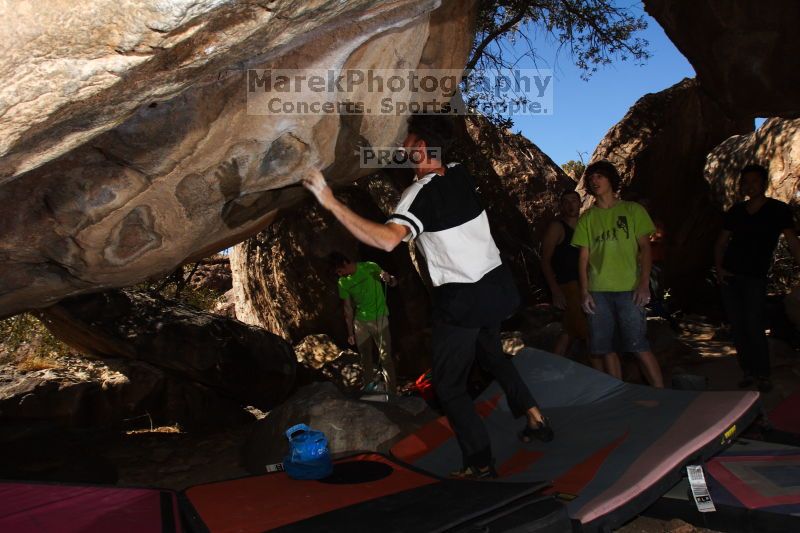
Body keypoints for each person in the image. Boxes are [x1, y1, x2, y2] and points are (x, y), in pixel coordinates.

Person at [303, 113, 552, 480]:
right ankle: (536, 418)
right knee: (493, 355)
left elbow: (388, 239)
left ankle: (480, 463)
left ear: (421, 148)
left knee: (449, 386)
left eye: (407, 140)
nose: (402, 146)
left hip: (463, 299)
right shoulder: (460, 172)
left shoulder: (417, 195)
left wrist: (330, 201)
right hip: (498, 289)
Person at [571, 160, 664, 388]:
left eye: (599, 176)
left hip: (629, 289)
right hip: (598, 292)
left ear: (611, 180)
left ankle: (663, 394)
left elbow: (645, 249)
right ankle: (618, 395)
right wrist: (584, 293)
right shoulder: (588, 218)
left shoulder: (632, 210)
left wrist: (644, 284)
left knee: (638, 345)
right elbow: (583, 259)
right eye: (591, 179)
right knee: (605, 348)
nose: (594, 181)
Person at [714, 164, 800, 393]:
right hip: (730, 277)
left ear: (764, 183)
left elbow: (792, 241)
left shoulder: (778, 210)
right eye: (746, 182)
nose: (750, 185)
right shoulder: (736, 211)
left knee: (754, 326)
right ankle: (748, 372)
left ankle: (763, 374)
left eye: (754, 181)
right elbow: (722, 243)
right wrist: (719, 269)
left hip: (755, 277)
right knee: (738, 327)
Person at [540, 191, 600, 369]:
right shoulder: (557, 228)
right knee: (588, 331)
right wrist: (555, 290)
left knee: (569, 331)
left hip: (587, 284)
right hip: (569, 285)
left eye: (574, 201)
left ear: (581, 203)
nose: (570, 205)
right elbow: (545, 261)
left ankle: (552, 369)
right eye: (565, 201)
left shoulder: (585, 226)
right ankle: (600, 375)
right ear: (561, 206)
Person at [329, 252, 398, 394]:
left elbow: (393, 282)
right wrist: (350, 333)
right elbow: (348, 308)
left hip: (379, 319)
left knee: (385, 357)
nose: (339, 274)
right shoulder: (343, 282)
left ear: (345, 263)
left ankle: (392, 392)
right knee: (365, 358)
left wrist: (389, 279)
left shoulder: (369, 267)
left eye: (339, 270)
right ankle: (369, 391)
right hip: (360, 323)